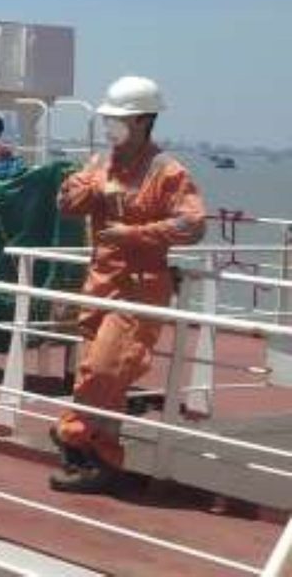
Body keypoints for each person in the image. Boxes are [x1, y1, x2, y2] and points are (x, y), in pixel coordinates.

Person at [50, 76, 204, 494]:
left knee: (105, 368)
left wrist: (135, 234)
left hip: (139, 288)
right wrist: (83, 185)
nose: (109, 126)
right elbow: (65, 206)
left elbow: (192, 224)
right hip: (99, 283)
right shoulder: (101, 164)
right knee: (99, 373)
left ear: (142, 121)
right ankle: (94, 459)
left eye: (117, 119)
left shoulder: (168, 172)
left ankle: (73, 433)